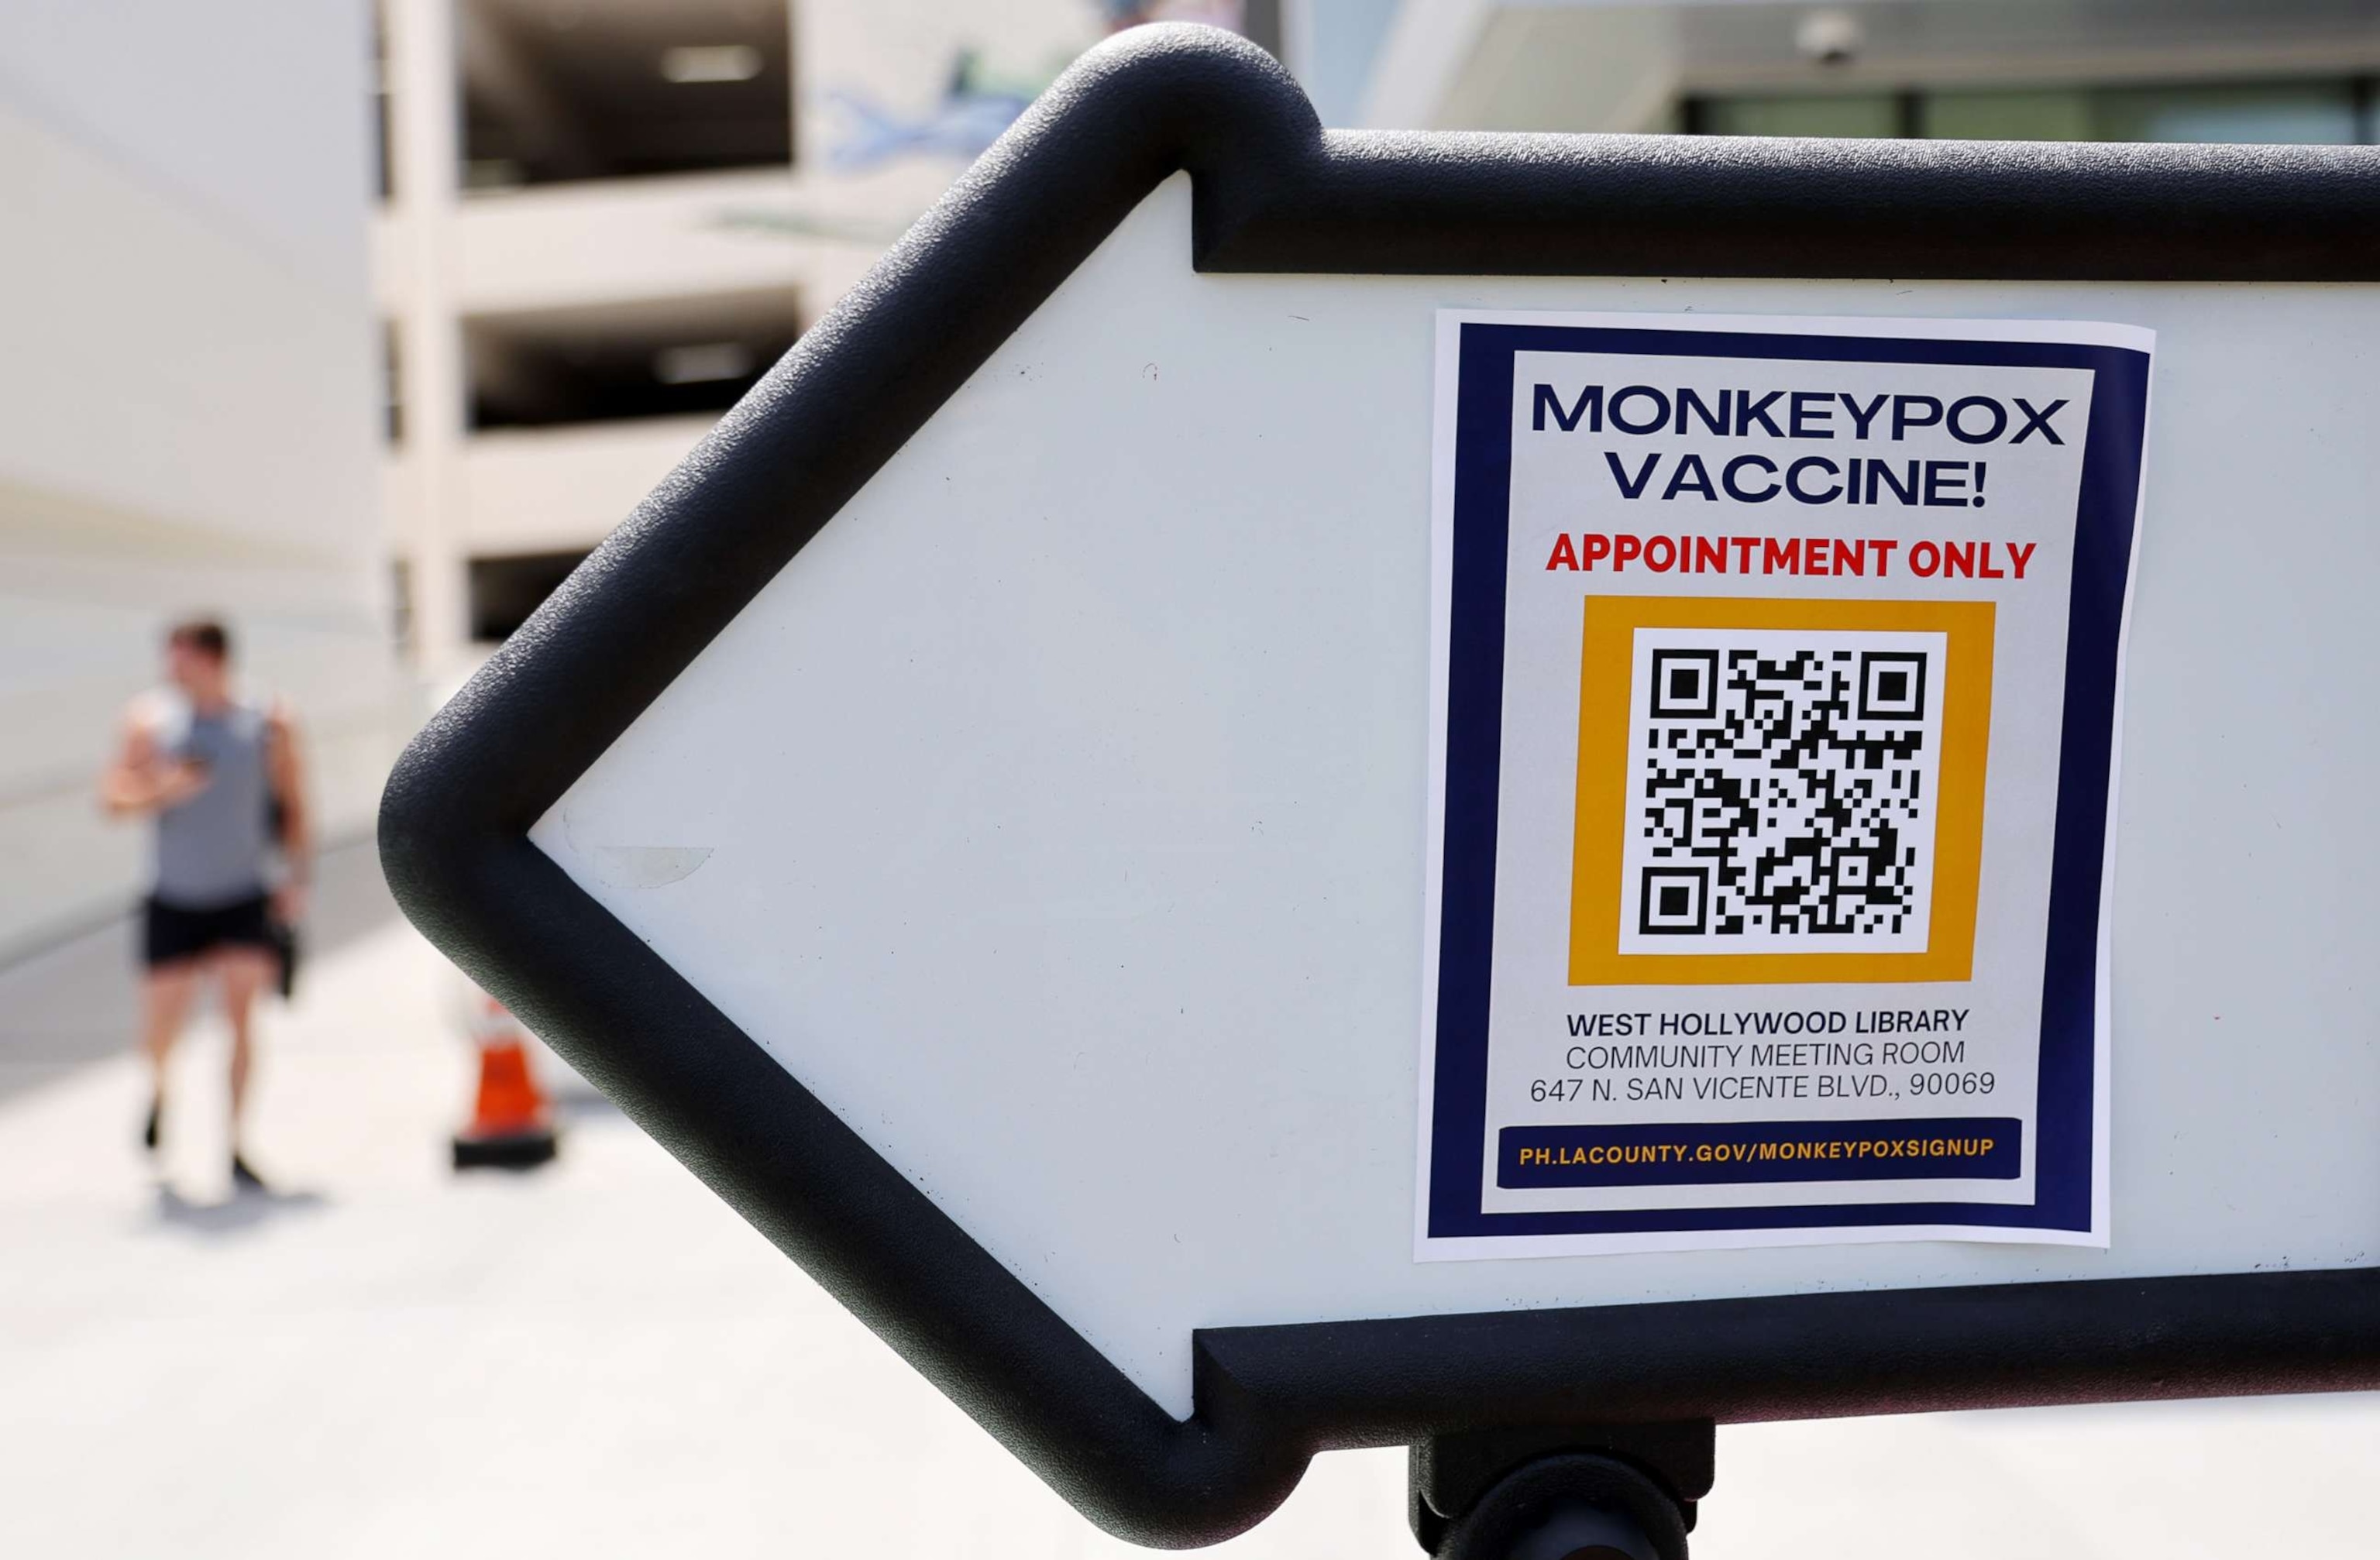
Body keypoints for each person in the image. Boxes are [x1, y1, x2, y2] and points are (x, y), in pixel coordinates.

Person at [99, 618, 308, 1191]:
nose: (171, 670)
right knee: (161, 1027)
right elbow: (112, 798)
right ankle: (160, 1093)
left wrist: (297, 879)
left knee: (239, 1020)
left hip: (243, 894)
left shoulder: (268, 719)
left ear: (212, 660)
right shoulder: (150, 722)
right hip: (174, 898)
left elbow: (293, 801)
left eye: (181, 658)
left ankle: (236, 1143)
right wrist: (162, 789)